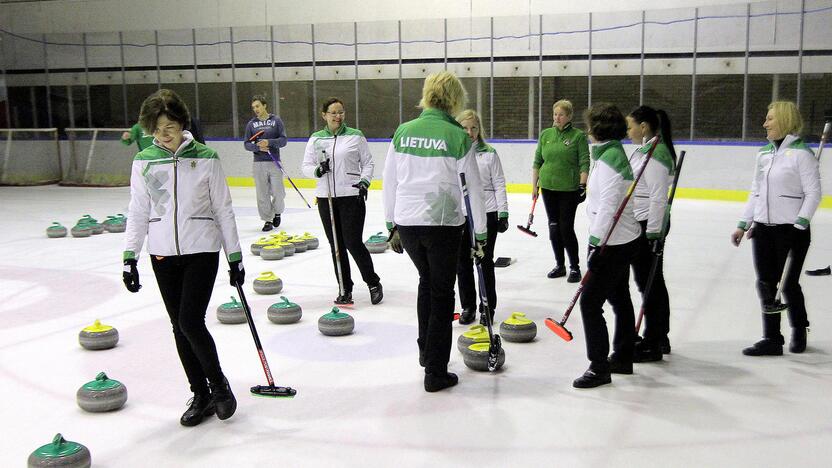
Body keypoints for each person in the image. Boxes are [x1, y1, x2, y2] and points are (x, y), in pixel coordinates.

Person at [122, 89, 244, 426]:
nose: (165, 134)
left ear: (182, 124)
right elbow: (138, 210)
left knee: (191, 321)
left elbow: (224, 208)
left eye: (171, 126)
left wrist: (235, 256)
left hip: (202, 250)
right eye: (158, 128)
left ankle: (219, 385)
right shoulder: (144, 161)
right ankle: (200, 394)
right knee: (178, 327)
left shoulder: (206, 157)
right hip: (162, 253)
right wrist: (129, 256)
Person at [383, 71, 487, 392]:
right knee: (442, 293)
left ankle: (425, 351)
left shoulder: (404, 131)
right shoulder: (458, 135)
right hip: (443, 223)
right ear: (455, 99)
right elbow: (475, 189)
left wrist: (391, 224)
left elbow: (389, 180)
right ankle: (436, 372)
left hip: (408, 224)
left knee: (426, 283)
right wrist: (480, 234)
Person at [731, 101, 820, 356]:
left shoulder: (802, 154)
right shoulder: (764, 154)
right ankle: (772, 338)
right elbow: (756, 191)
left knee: (788, 283)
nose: (765, 124)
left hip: (791, 231)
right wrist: (743, 223)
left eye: (769, 119)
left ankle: (799, 327)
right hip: (763, 229)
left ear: (783, 120)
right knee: (766, 283)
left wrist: (800, 223)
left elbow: (813, 193)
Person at [573, 103, 641, 389]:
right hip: (616, 240)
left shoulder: (611, 158)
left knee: (589, 303)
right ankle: (624, 356)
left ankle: (599, 366)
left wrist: (594, 245)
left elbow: (609, 209)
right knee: (619, 298)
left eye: (589, 125)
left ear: (597, 129)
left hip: (613, 243)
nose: (587, 129)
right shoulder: (605, 155)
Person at [302, 97, 383, 306]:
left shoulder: (355, 136)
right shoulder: (316, 139)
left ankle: (373, 283)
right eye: (333, 113)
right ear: (324, 115)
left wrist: (364, 181)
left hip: (351, 196)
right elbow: (306, 166)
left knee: (353, 242)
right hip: (326, 197)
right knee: (335, 245)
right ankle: (344, 288)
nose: (338, 116)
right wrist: (317, 171)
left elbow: (368, 163)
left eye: (341, 112)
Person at [625, 106, 677, 362]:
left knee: (650, 283)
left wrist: (654, 233)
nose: (628, 131)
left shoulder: (656, 154)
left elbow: (658, 198)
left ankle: (654, 340)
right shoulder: (646, 150)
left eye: (630, 126)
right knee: (649, 282)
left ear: (643, 126)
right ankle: (658, 336)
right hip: (642, 222)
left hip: (649, 225)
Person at [455, 109, 509, 325]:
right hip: (461, 215)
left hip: (486, 213)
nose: (470, 132)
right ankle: (468, 306)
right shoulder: (454, 153)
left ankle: (487, 307)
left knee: (484, 260)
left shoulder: (489, 153)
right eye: (465, 128)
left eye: (474, 127)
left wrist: (503, 212)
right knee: (462, 263)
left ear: (479, 129)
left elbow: (499, 183)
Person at [532, 99, 590, 283]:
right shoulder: (545, 134)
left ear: (569, 116)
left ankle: (575, 267)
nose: (557, 117)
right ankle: (560, 265)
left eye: (561, 114)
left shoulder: (578, 136)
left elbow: (584, 162)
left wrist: (582, 184)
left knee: (566, 228)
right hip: (548, 188)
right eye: (555, 114)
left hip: (568, 190)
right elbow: (537, 161)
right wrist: (534, 185)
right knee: (554, 228)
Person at [243, 94, 288, 231]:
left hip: (274, 161)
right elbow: (246, 144)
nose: (255, 109)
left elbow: (283, 140)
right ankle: (267, 219)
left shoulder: (276, 120)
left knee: (278, 192)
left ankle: (277, 211)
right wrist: (257, 147)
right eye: (253, 107)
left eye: (257, 106)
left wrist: (269, 142)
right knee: (262, 193)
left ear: (264, 105)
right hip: (258, 163)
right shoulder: (251, 124)